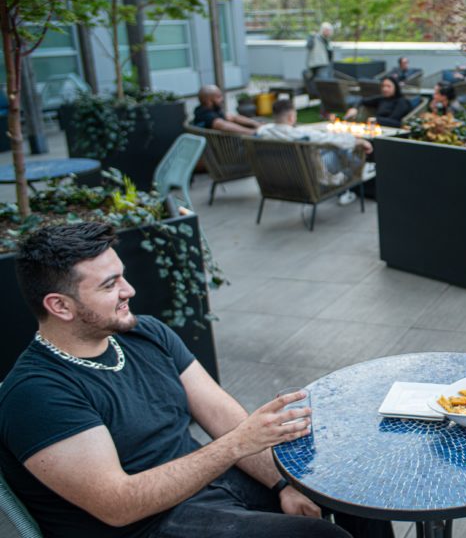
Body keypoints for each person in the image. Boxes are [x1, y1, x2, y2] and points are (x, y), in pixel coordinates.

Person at [0, 222, 393, 538]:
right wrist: (236, 445)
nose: (129, 291)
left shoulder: (144, 333)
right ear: (59, 306)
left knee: (346, 490)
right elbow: (118, 505)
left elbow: (223, 417)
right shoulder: (38, 394)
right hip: (147, 525)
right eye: (109, 286)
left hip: (205, 487)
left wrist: (284, 484)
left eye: (122, 277)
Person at [256, 98, 375, 206]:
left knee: (328, 149)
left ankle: (363, 169)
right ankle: (362, 169)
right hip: (309, 182)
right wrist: (361, 142)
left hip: (278, 181)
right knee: (338, 149)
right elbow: (331, 139)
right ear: (291, 117)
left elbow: (262, 128)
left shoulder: (262, 132)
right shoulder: (301, 136)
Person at [343, 75, 411, 128]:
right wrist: (355, 108)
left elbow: (396, 122)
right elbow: (362, 100)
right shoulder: (382, 99)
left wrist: (376, 120)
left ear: (396, 88)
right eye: (383, 86)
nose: (385, 89)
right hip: (376, 127)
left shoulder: (402, 102)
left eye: (388, 86)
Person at [192, 85, 262, 135]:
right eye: (218, 97)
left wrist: (256, 124)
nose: (222, 99)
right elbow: (223, 125)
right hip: (224, 150)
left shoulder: (213, 109)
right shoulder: (205, 114)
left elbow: (232, 117)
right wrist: (253, 132)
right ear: (208, 101)